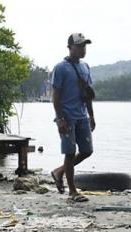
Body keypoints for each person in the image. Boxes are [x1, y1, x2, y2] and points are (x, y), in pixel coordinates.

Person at [50, 33, 95, 202]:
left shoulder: (85, 67)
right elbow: (56, 96)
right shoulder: (60, 68)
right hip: (67, 116)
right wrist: (59, 118)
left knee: (87, 151)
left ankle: (59, 171)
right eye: (79, 46)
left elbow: (87, 94)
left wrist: (91, 115)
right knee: (70, 152)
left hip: (82, 115)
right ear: (70, 48)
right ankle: (72, 192)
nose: (83, 49)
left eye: (84, 46)